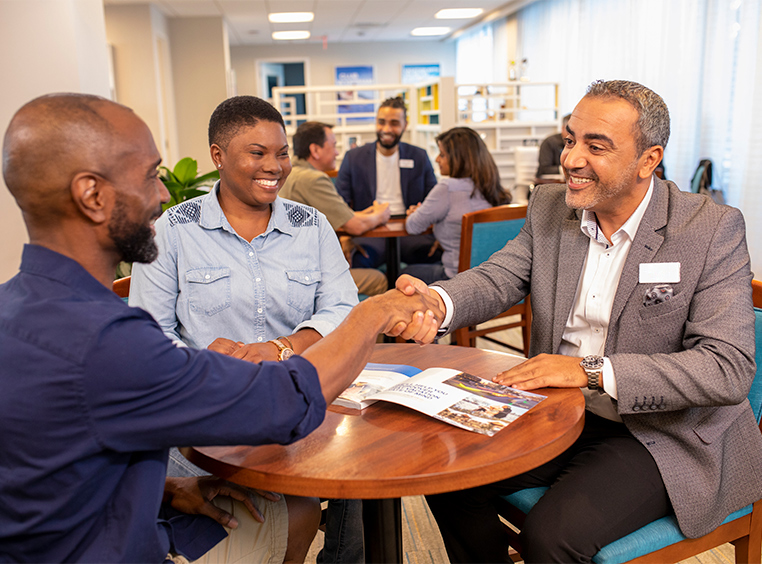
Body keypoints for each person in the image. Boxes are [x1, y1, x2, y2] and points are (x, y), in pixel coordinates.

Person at [0, 92, 442, 563]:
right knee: (296, 512)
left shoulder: (19, 307)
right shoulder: (111, 339)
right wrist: (371, 313)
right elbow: (286, 403)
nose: (165, 193)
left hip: (110, 516)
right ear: (93, 195)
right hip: (127, 541)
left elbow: (57, 466)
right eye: (150, 175)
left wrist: (167, 490)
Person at [396, 80, 762, 563]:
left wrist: (589, 370)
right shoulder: (551, 207)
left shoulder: (709, 229)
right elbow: (499, 276)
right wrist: (437, 302)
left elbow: (727, 368)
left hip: (659, 433)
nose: (570, 159)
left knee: (551, 538)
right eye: (570, 139)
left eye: (596, 146)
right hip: (559, 413)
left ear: (648, 160)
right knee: (444, 473)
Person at [128, 96, 363, 562]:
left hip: (302, 400)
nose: (274, 166)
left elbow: (343, 309)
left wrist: (283, 346)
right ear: (218, 156)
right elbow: (148, 334)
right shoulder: (171, 231)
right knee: (291, 506)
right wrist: (202, 366)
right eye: (257, 153)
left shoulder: (311, 226)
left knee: (359, 466)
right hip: (207, 412)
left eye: (280, 153)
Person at [280, 120, 389, 298]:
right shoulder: (313, 180)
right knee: (378, 280)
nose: (337, 153)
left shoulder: (292, 174)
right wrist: (381, 215)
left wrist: (370, 213)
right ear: (315, 150)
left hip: (291, 267)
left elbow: (343, 216)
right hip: (307, 276)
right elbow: (354, 226)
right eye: (333, 146)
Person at [335, 96, 440, 269]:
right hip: (369, 229)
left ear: (405, 126)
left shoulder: (418, 156)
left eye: (394, 123)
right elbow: (340, 202)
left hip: (411, 228)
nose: (386, 129)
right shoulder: (354, 157)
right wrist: (345, 237)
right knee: (357, 260)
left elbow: (434, 199)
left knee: (432, 255)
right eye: (381, 122)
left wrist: (441, 235)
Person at [402, 126, 511, 285]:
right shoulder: (494, 188)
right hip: (494, 281)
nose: (437, 159)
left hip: (457, 282)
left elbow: (413, 226)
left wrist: (414, 213)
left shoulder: (447, 187)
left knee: (402, 274)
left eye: (442, 155)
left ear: (459, 159)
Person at [535, 113, 571, 177]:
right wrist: (566, 170)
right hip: (547, 182)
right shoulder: (549, 142)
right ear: (562, 128)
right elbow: (544, 169)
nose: (571, 133)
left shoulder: (578, 143)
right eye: (569, 129)